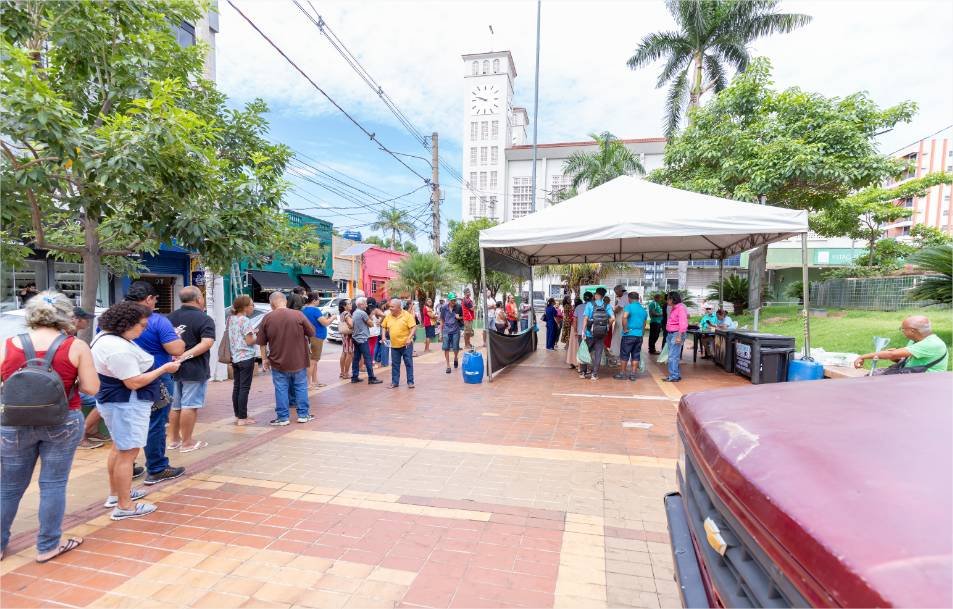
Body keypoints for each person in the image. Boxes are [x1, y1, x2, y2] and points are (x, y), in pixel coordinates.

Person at [1, 291, 99, 561]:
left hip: (14, 423)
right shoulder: (76, 346)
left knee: (8, 487)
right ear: (67, 316)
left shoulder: (8, 344)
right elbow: (91, 388)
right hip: (63, 420)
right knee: (53, 484)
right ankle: (47, 546)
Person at [92, 301, 182, 520]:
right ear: (127, 324)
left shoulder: (107, 339)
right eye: (141, 325)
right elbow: (133, 382)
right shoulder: (117, 348)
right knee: (127, 453)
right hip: (126, 404)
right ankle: (125, 506)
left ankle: (118, 494)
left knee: (119, 449)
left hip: (118, 403)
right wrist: (164, 369)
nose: (144, 329)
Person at [123, 281, 186, 486]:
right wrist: (179, 339)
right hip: (155, 378)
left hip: (121, 379)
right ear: (149, 299)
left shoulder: (114, 318)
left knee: (126, 423)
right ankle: (157, 468)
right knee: (155, 423)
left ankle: (126, 466)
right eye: (155, 299)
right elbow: (176, 349)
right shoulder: (157, 321)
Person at [166, 287, 215, 453]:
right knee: (190, 405)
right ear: (199, 299)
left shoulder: (170, 317)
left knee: (176, 405)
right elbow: (207, 343)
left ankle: (173, 440)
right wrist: (184, 356)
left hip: (173, 368)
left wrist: (175, 358)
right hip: (195, 369)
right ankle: (187, 443)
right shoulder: (204, 318)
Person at [257, 291, 316, 425]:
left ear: (271, 303)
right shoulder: (298, 314)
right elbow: (312, 332)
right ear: (285, 301)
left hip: (277, 361)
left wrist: (264, 359)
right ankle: (303, 415)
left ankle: (283, 417)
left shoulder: (267, 318)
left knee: (281, 388)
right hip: (299, 359)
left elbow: (262, 342)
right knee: (301, 387)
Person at [854, 315, 949, 373]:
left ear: (912, 331)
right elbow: (905, 359)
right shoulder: (915, 340)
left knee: (876, 380)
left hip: (927, 380)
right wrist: (896, 359)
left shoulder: (932, 344)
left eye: (903, 329)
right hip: (913, 373)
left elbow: (891, 354)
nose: (902, 331)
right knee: (875, 375)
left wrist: (862, 357)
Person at [71, 307, 106, 450]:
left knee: (103, 397)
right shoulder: (68, 338)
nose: (88, 322)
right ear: (76, 320)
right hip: (68, 387)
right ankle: (80, 437)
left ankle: (92, 430)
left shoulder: (73, 337)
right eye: (85, 319)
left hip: (74, 384)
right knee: (103, 399)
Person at [227, 295, 258, 426]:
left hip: (235, 357)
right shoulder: (245, 320)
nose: (253, 307)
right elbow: (249, 341)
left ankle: (238, 414)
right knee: (244, 388)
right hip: (246, 357)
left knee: (237, 387)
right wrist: (257, 335)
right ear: (245, 307)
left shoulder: (231, 319)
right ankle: (242, 418)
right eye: (251, 305)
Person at [580, 288, 614, 381]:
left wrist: (583, 331)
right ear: (603, 296)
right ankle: (594, 375)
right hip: (601, 334)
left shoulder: (589, 304)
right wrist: (607, 326)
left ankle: (583, 373)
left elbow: (585, 318)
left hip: (589, 333)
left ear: (596, 295)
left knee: (585, 351)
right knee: (598, 354)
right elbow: (613, 318)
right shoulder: (607, 306)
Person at [382, 298, 417, 388]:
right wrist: (383, 336)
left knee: (408, 363)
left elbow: (413, 327)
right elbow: (383, 326)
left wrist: (409, 338)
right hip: (394, 345)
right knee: (395, 364)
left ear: (398, 307)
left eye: (392, 307)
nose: (390, 308)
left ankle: (410, 382)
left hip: (406, 345)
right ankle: (395, 382)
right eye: (390, 306)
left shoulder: (407, 315)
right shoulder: (389, 316)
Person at [615, 290, 647, 381]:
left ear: (629, 299)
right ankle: (633, 374)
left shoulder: (628, 307)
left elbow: (624, 317)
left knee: (624, 354)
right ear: (638, 299)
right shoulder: (643, 310)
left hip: (629, 335)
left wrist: (625, 329)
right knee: (636, 355)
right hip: (639, 336)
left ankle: (622, 373)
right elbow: (644, 324)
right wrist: (641, 334)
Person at [350, 297, 382, 384]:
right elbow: (371, 324)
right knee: (368, 358)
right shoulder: (362, 313)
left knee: (356, 358)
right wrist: (371, 319)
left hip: (356, 338)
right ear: (361, 304)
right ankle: (371, 378)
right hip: (363, 339)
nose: (366, 305)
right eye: (365, 303)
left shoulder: (355, 312)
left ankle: (354, 377)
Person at [301, 292, 330, 388]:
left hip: (310, 337)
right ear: (314, 300)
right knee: (313, 361)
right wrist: (333, 318)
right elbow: (325, 323)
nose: (319, 301)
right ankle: (308, 383)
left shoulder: (304, 309)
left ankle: (314, 381)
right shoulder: (315, 310)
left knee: (314, 360)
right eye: (318, 299)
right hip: (316, 337)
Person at [663, 291, 689, 383]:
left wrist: (679, 336)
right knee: (673, 356)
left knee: (672, 356)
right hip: (671, 334)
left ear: (672, 299)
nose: (667, 301)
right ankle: (675, 375)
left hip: (676, 334)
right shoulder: (674, 308)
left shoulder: (680, 308)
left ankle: (674, 376)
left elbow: (683, 323)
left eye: (668, 299)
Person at [439, 292, 463, 373]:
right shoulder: (443, 308)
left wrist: (459, 317)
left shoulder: (458, 307)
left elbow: (463, 317)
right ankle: (448, 365)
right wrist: (441, 333)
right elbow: (442, 320)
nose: (454, 302)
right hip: (446, 330)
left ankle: (456, 358)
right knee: (446, 348)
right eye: (452, 300)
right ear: (449, 300)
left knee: (456, 347)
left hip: (455, 330)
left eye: (454, 300)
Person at [610, 285, 629, 358]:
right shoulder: (627, 295)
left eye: (616, 292)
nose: (616, 294)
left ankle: (617, 352)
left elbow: (619, 308)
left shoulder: (624, 297)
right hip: (625, 319)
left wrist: (613, 311)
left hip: (621, 319)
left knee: (618, 336)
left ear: (620, 290)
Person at [566, 297, 584, 369]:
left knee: (572, 346)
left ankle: (571, 363)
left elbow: (571, 320)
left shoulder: (573, 310)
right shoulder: (582, 309)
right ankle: (577, 363)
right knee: (577, 346)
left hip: (573, 329)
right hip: (578, 329)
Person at [338, 299, 353, 380]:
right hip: (348, 335)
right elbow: (351, 324)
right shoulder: (347, 313)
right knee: (349, 353)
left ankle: (342, 372)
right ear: (344, 306)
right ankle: (346, 373)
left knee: (344, 352)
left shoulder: (342, 313)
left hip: (344, 335)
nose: (351, 305)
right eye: (349, 303)